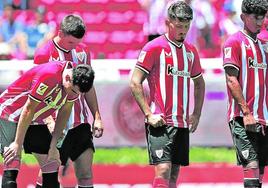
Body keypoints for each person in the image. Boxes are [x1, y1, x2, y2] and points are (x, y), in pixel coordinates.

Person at [130, 1, 205, 187]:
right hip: (160, 121)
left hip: (181, 123)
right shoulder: (153, 48)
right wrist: (149, 114)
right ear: (167, 23)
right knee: (163, 170)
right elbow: (134, 81)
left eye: (186, 26)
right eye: (179, 26)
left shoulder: (191, 51)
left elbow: (199, 84)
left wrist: (196, 114)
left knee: (173, 174)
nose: (183, 30)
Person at [34, 14, 103, 188]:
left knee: (86, 175)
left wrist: (97, 116)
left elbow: (88, 86)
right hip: (54, 125)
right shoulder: (44, 53)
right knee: (48, 177)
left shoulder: (82, 51)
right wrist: (48, 119)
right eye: (71, 43)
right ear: (60, 33)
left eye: (78, 42)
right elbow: (37, 92)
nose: (75, 47)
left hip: (79, 124)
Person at [0, 61, 95, 188]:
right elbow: (28, 109)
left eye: (77, 94)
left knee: (51, 162)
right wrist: (17, 143)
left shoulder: (75, 82)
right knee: (12, 159)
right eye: (73, 91)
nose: (73, 95)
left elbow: (65, 112)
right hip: (10, 113)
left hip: (35, 118)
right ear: (67, 78)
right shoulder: (50, 74)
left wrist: (53, 146)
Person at [222, 0, 268, 187]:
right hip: (243, 117)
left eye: (262, 17)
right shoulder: (234, 42)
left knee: (261, 172)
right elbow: (231, 80)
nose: (260, 22)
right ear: (243, 17)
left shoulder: (265, 45)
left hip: (264, 118)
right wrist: (247, 113)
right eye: (255, 18)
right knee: (252, 166)